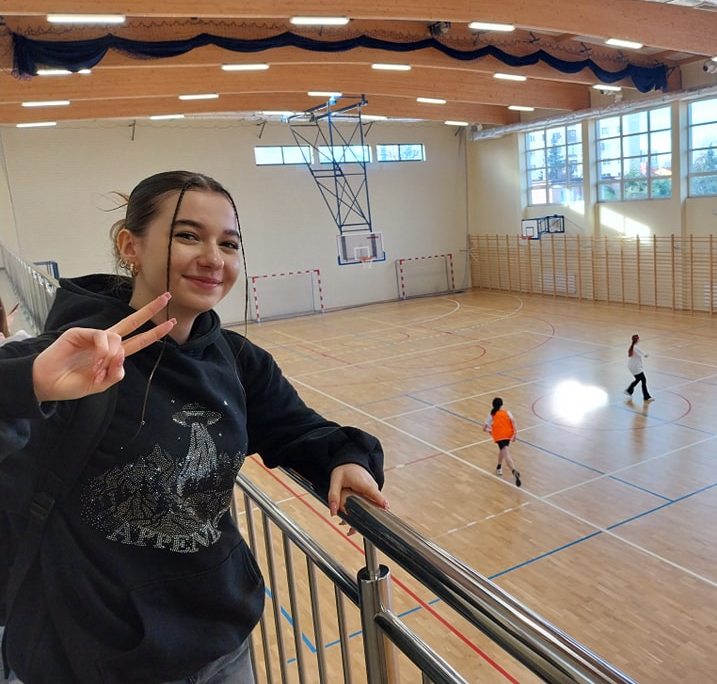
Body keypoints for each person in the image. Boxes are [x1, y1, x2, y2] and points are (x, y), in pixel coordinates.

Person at [0, 171, 388, 684]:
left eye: (229, 243)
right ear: (131, 246)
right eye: (188, 235)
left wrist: (346, 456)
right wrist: (28, 383)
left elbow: (297, 428)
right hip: (92, 656)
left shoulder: (238, 359)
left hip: (219, 645)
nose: (213, 258)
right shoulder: (70, 357)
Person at [483, 397, 521, 487]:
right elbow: (513, 422)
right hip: (508, 434)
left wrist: (491, 430)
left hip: (500, 436)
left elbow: (484, 428)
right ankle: (499, 466)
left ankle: (513, 470)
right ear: (502, 405)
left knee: (506, 454)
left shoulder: (491, 415)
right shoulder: (507, 412)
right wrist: (515, 433)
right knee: (503, 451)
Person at [625, 333, 653, 401]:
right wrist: (647, 354)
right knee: (643, 380)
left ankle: (629, 390)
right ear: (637, 340)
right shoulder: (636, 348)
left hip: (631, 366)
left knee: (638, 379)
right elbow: (644, 354)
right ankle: (646, 396)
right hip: (636, 367)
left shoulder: (633, 347)